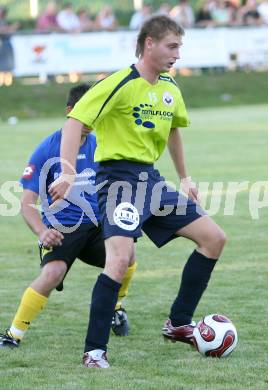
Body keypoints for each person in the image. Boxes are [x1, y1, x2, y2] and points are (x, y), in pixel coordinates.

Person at [49, 15, 226, 369]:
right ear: (149, 44)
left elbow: (174, 131)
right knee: (119, 259)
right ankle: (94, 351)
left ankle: (178, 323)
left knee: (214, 238)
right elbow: (75, 122)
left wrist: (186, 177)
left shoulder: (170, 89)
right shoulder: (120, 83)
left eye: (180, 47)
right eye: (171, 46)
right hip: (117, 180)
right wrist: (67, 172)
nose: (177, 54)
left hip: (151, 180)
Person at [0, 83, 137, 349]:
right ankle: (13, 334)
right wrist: (42, 232)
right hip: (63, 228)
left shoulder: (102, 145)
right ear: (70, 112)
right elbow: (27, 203)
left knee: (127, 252)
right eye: (86, 112)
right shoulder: (47, 149)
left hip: (97, 225)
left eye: (95, 112)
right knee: (53, 273)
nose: (92, 119)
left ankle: (116, 309)